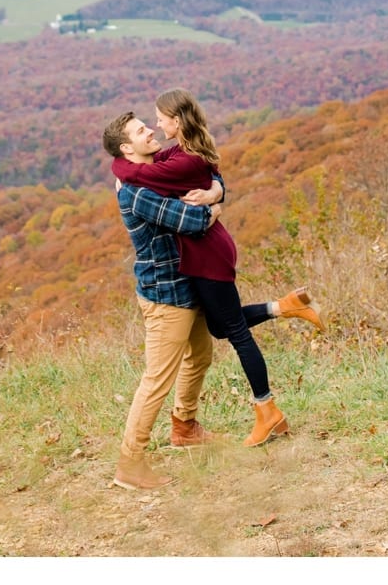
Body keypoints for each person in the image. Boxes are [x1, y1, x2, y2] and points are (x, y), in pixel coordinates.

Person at [111, 89, 323, 450]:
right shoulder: (179, 152)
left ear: (176, 121)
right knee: (217, 326)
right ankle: (285, 306)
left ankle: (267, 410)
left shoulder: (177, 163)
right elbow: (210, 174)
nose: (155, 126)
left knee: (237, 334)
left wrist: (212, 203)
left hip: (207, 254)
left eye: (159, 119)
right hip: (201, 257)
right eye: (146, 125)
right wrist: (216, 191)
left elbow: (163, 193)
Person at [102, 110, 225, 490]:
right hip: (165, 294)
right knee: (157, 379)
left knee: (200, 356)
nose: (151, 130)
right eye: (141, 130)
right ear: (127, 147)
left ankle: (184, 427)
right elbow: (190, 220)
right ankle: (130, 462)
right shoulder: (137, 192)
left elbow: (207, 171)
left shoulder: (160, 165)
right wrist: (213, 208)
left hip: (190, 282)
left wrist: (215, 191)